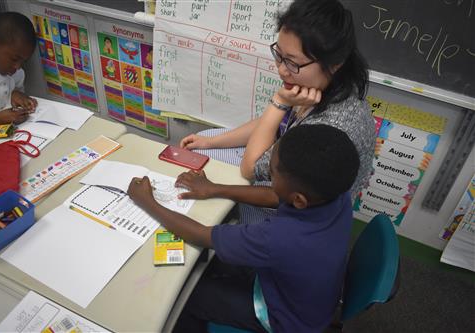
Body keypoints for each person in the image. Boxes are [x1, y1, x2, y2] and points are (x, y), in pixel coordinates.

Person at [128, 124, 360, 332]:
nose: (267, 173)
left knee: (183, 297)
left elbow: (200, 235)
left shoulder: (279, 238)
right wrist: (215, 188)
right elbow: (274, 195)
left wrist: (146, 201)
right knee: (209, 265)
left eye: (272, 172)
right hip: (308, 296)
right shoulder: (336, 196)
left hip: (286, 320)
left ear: (299, 199)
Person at [180, 0, 375, 201]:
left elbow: (250, 168)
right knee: (206, 143)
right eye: (279, 55)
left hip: (297, 218)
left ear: (334, 64)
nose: (281, 69)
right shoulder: (323, 86)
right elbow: (272, 123)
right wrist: (210, 142)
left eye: (292, 62)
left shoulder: (332, 126)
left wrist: (280, 101)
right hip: (286, 177)